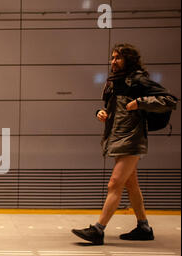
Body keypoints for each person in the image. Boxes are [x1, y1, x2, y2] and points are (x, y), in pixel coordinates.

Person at [72, 43, 178, 245]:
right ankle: (144, 227)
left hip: (132, 139)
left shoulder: (138, 80)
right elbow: (111, 108)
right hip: (117, 137)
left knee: (115, 183)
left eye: (118, 58)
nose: (113, 61)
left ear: (128, 60)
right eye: (112, 58)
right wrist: (100, 113)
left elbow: (170, 100)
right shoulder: (113, 82)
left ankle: (98, 229)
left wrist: (141, 102)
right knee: (131, 184)